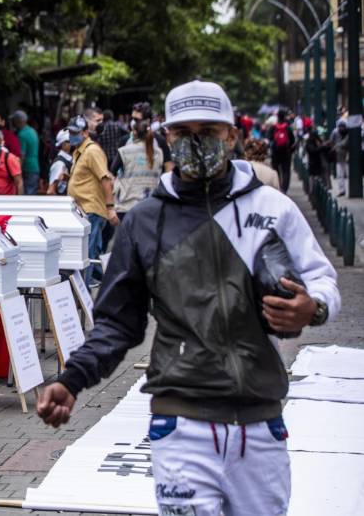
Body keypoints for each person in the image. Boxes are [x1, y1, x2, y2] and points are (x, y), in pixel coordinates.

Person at [36, 79, 340, 516]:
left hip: (260, 423)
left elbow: (321, 279)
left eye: (210, 131)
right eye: (183, 133)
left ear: (232, 135)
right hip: (181, 424)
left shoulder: (272, 208)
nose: (196, 142)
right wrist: (71, 379)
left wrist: (314, 308)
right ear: (167, 136)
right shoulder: (144, 222)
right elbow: (119, 324)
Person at [66, 115, 115, 285]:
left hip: (91, 211)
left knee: (86, 256)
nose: (71, 135)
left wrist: (110, 208)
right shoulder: (79, 151)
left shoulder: (92, 151)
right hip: (83, 211)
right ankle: (111, 285)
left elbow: (105, 179)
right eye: (70, 132)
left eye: (75, 132)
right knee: (91, 255)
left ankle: (85, 297)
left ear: (86, 132)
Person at [111, 111, 163, 221]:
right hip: (151, 204)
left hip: (127, 205)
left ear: (134, 132)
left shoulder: (124, 151)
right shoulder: (158, 152)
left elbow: (112, 172)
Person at [13, 110, 41, 194]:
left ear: (18, 121)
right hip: (35, 166)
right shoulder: (33, 131)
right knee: (32, 194)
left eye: (13, 121)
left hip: (27, 168)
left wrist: (17, 171)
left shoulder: (22, 134)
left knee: (27, 196)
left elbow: (22, 155)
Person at [267, 108, 294, 193]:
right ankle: (284, 189)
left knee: (276, 170)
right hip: (286, 152)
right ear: (284, 117)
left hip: (275, 152)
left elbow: (269, 138)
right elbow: (292, 140)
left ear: (277, 117)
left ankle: (277, 187)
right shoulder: (288, 127)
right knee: (286, 171)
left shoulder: (273, 127)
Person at [47, 129, 72, 195]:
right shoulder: (59, 164)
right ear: (63, 144)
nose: (74, 143)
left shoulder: (70, 160)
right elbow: (51, 191)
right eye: (70, 141)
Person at [330, 118, 349, 196]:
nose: (341, 128)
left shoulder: (349, 132)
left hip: (348, 157)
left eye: (343, 126)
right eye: (340, 126)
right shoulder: (335, 132)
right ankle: (342, 190)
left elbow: (345, 143)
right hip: (339, 157)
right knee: (340, 174)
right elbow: (331, 140)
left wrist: (336, 146)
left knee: (347, 174)